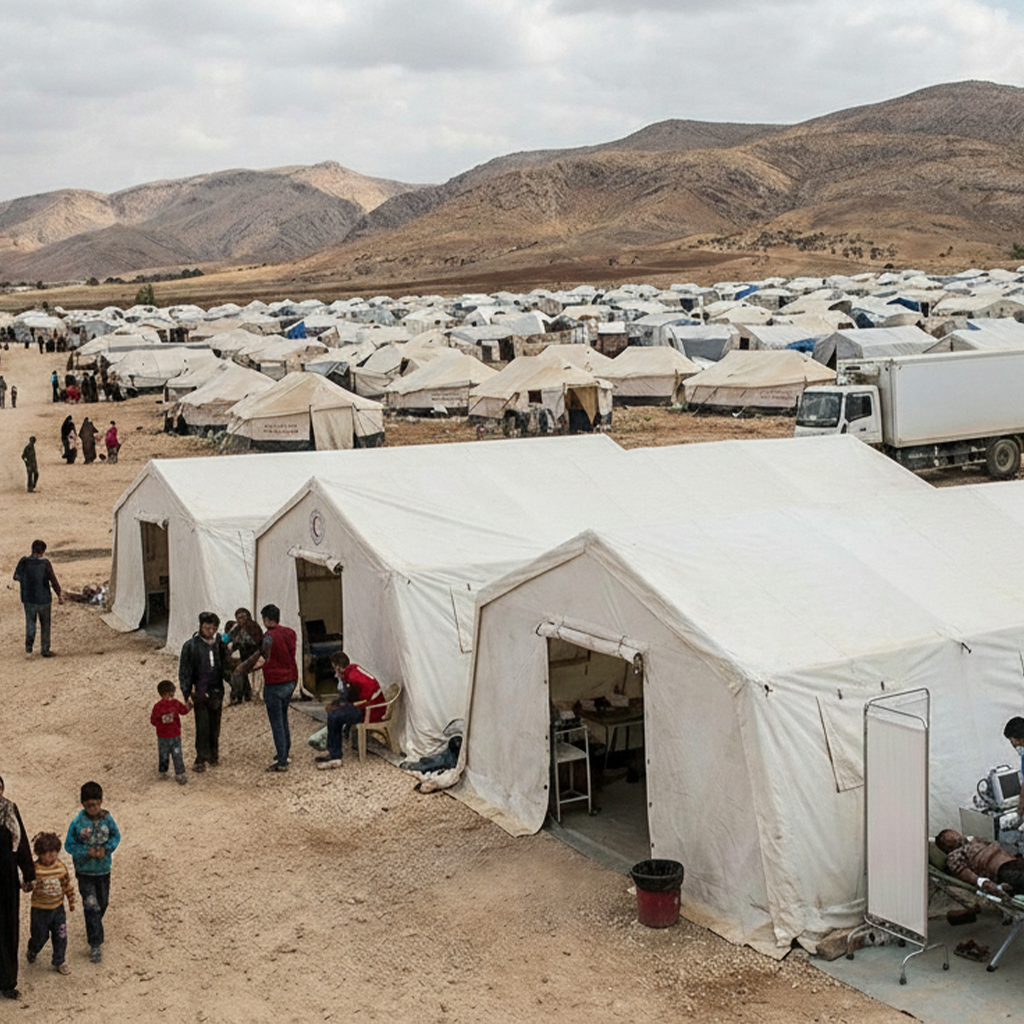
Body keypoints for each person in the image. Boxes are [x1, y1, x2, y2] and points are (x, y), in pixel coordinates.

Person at [65, 781, 120, 964]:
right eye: (89, 805)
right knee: (91, 906)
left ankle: (94, 924)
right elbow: (69, 845)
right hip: (85, 872)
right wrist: (85, 852)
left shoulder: (107, 819)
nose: (93, 808)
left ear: (101, 801)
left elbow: (115, 836)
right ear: (83, 804)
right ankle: (95, 943)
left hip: (103, 870)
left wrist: (108, 849)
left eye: (96, 804)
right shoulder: (78, 822)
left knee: (102, 903)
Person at [238, 604, 297, 772]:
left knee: (276, 721)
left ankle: (282, 760)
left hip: (275, 682)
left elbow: (263, 659)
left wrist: (245, 669)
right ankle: (285, 751)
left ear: (266, 619)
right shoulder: (290, 632)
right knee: (283, 716)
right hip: (291, 680)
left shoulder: (268, 637)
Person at [316, 652, 384, 770]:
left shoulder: (352, 677)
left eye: (334, 667)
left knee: (334, 716)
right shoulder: (352, 670)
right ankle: (334, 752)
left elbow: (362, 698)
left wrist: (341, 705)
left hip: (370, 711)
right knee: (336, 714)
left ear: (338, 667)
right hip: (371, 706)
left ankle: (335, 755)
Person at [178, 612, 228, 772]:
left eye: (213, 628)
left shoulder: (219, 645)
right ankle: (201, 758)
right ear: (201, 626)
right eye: (207, 627)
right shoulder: (190, 646)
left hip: (216, 691)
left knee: (215, 725)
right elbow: (184, 672)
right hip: (199, 692)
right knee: (202, 725)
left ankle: (214, 755)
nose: (210, 630)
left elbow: (225, 666)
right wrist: (187, 693)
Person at [0, 777, 34, 1000]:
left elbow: (20, 842)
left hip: (5, 879)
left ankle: (7, 982)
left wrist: (29, 874)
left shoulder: (9, 810)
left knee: (7, 929)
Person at [26, 831, 75, 976]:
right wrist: (26, 885)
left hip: (57, 909)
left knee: (61, 935)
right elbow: (28, 886)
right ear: (38, 854)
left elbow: (67, 885)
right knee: (40, 935)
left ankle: (59, 960)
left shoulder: (61, 867)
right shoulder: (35, 869)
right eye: (47, 853)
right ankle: (33, 948)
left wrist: (71, 901)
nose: (51, 855)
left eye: (54, 851)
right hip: (40, 910)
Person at [935, 828, 1024, 895]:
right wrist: (983, 883)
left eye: (954, 833)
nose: (955, 835)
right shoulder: (954, 856)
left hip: (1016, 863)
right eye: (948, 837)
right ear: (946, 846)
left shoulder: (973, 841)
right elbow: (962, 871)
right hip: (1005, 870)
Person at [14, 539, 63, 656]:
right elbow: (53, 580)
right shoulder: (46, 563)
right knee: (45, 625)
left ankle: (29, 650)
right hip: (44, 599)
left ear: (32, 550)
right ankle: (45, 650)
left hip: (29, 599)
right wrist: (60, 594)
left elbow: (16, 576)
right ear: (44, 551)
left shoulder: (24, 561)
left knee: (30, 624)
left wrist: (26, 582)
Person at [150, 680, 191, 785]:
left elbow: (153, 721)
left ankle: (170, 772)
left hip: (167, 735)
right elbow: (184, 711)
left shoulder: (161, 706)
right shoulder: (170, 704)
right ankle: (175, 773)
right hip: (170, 735)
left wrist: (160, 725)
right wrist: (189, 706)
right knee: (172, 754)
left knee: (169, 754)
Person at [225, 608, 263, 705]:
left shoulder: (251, 626)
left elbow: (238, 641)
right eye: (239, 618)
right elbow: (228, 638)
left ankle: (237, 696)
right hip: (246, 657)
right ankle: (246, 693)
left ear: (248, 617)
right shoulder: (239, 627)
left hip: (257, 656)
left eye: (243, 617)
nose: (241, 620)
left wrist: (230, 648)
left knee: (238, 670)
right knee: (229, 666)